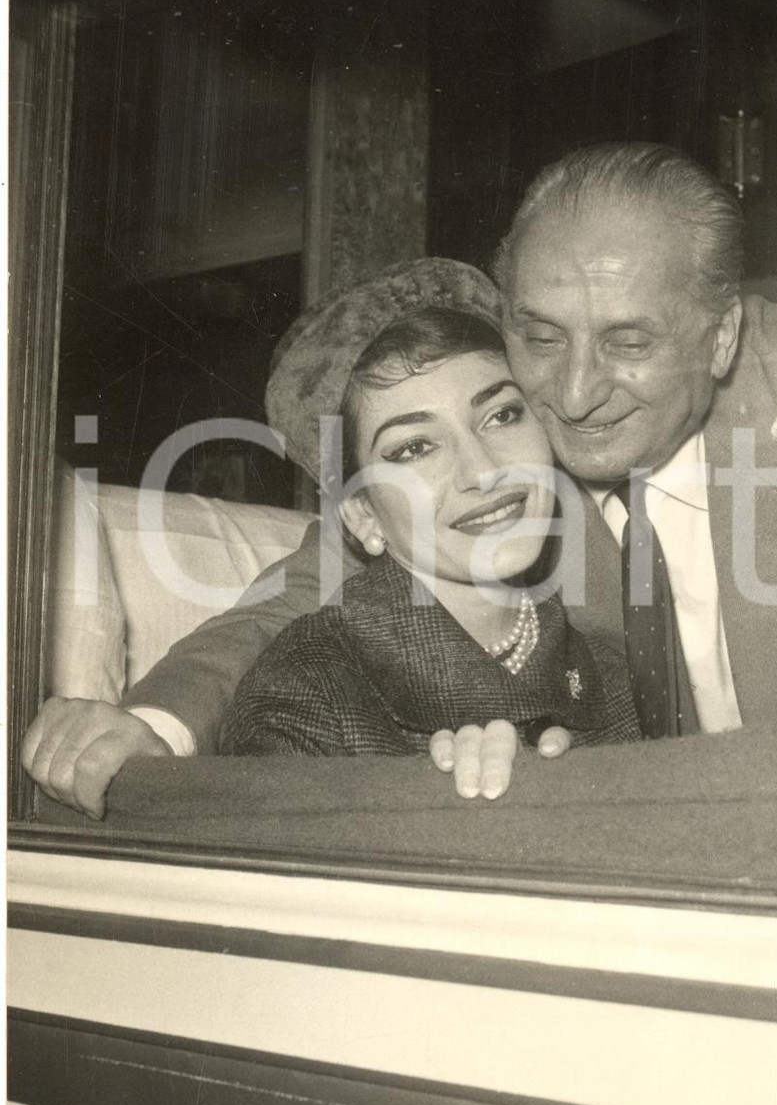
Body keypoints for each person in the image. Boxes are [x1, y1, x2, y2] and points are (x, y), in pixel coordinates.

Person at [23, 142, 777, 818]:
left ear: (724, 336)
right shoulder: (498, 454)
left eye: (629, 343)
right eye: (541, 337)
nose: (575, 395)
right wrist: (153, 726)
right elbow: (293, 603)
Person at [217, 292, 640, 789]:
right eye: (415, 447)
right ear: (363, 515)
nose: (484, 471)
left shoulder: (615, 676)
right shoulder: (302, 696)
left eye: (501, 415)